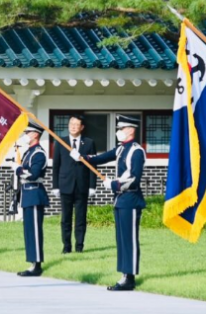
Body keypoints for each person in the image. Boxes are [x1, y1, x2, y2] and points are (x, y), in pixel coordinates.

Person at [74, 114, 145, 291]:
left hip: (130, 199)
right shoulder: (121, 149)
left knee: (129, 239)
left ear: (130, 130)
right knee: (121, 239)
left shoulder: (136, 151)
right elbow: (102, 157)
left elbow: (133, 179)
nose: (118, 132)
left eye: (121, 129)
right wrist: (82, 157)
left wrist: (113, 184)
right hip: (120, 201)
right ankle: (124, 275)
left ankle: (130, 277)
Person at [51, 115, 97, 253]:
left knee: (80, 218)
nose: (73, 126)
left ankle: (79, 246)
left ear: (82, 127)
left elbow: (93, 166)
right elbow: (56, 165)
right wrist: (55, 186)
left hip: (82, 186)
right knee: (65, 218)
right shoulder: (61, 142)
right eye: (71, 123)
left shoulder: (89, 143)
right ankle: (66, 246)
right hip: (65, 185)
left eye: (76, 124)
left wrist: (92, 186)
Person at [12, 121, 48, 277]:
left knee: (34, 230)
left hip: (34, 194)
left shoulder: (39, 153)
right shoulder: (29, 152)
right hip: (27, 194)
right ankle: (32, 262)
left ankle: (37, 264)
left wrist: (18, 169)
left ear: (35, 134)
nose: (25, 136)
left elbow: (33, 175)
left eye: (27, 133)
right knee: (28, 231)